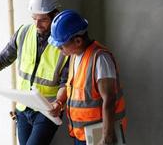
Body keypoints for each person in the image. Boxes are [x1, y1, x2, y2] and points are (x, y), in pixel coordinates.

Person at [0, 0, 69, 145]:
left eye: (43, 19)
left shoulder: (65, 42)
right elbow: (3, 59)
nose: (37, 24)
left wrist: (59, 103)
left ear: (55, 15)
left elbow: (66, 82)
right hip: (23, 109)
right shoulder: (23, 33)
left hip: (47, 110)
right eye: (34, 18)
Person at [48, 10, 127, 145]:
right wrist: (59, 103)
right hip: (82, 134)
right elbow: (71, 87)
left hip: (100, 135)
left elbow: (109, 99)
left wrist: (107, 137)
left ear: (78, 41)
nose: (59, 50)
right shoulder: (74, 56)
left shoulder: (100, 59)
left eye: (61, 46)